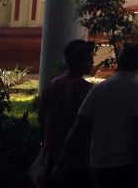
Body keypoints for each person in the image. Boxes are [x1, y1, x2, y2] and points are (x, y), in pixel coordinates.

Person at [55, 43, 138, 188]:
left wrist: (62, 163)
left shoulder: (98, 89)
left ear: (118, 62)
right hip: (125, 165)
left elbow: (79, 127)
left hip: (98, 165)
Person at [37, 39, 94, 188]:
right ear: (80, 61)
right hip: (77, 159)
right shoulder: (86, 90)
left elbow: (42, 118)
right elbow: (84, 127)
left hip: (51, 155)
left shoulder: (52, 85)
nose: (92, 62)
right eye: (89, 59)